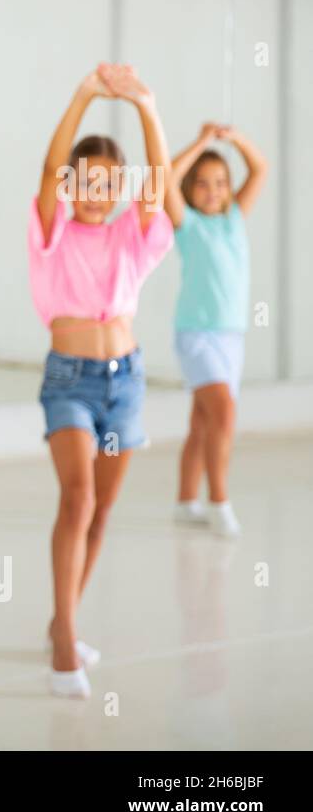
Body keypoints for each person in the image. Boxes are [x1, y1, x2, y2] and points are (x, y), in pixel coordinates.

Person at [29, 64, 177, 697]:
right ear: (72, 186)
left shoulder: (132, 235)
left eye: (106, 183)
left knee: (103, 510)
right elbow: (48, 171)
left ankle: (65, 615)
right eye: (84, 182)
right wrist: (85, 93)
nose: (94, 191)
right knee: (79, 498)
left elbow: (162, 185)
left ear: (120, 187)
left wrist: (146, 103)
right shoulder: (52, 231)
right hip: (70, 383)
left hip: (126, 385)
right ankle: (64, 640)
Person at [168, 123, 267, 538]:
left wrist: (235, 139)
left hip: (232, 337)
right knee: (224, 414)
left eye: (221, 183)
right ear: (191, 189)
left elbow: (259, 168)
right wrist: (201, 143)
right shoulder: (187, 225)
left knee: (203, 423)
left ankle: (185, 500)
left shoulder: (233, 220)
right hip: (197, 336)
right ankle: (219, 501)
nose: (213, 191)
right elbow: (165, 177)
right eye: (204, 184)